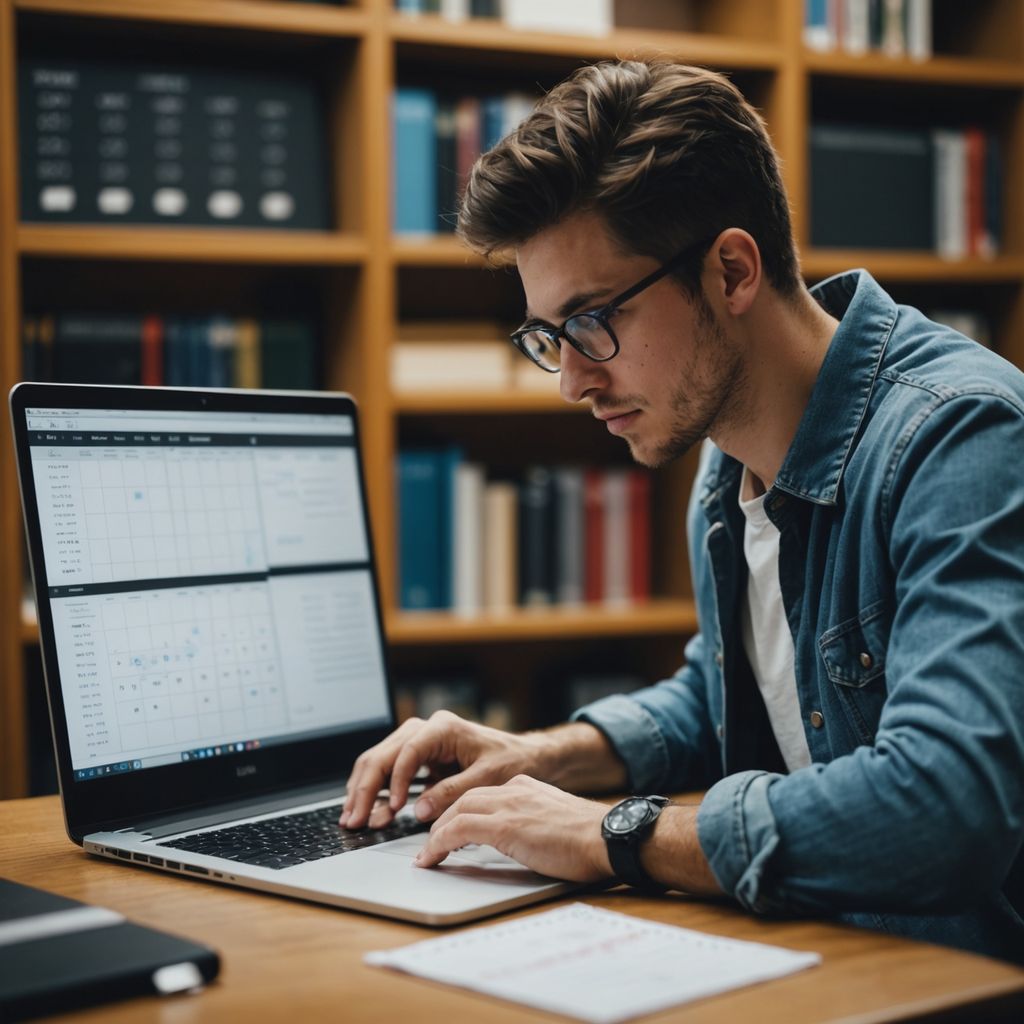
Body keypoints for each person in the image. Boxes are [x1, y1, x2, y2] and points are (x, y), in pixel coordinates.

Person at [342, 60, 1024, 962]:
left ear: (731, 271)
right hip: (832, 967)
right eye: (549, 337)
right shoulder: (727, 462)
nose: (572, 382)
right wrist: (539, 759)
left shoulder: (963, 438)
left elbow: (944, 806)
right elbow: (725, 696)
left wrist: (607, 834)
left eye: (590, 321)